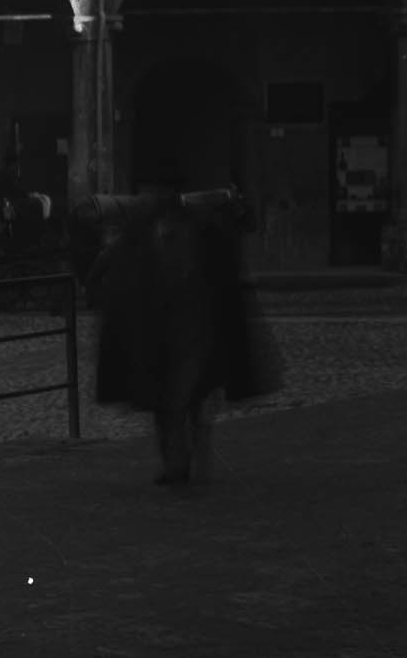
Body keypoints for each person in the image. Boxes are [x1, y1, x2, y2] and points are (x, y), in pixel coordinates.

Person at [93, 175, 278, 488]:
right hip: (161, 336)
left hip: (193, 332)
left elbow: (221, 276)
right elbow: (112, 267)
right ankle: (177, 463)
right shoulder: (143, 235)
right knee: (168, 402)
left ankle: (186, 460)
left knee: (187, 399)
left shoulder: (199, 233)